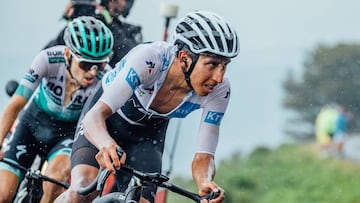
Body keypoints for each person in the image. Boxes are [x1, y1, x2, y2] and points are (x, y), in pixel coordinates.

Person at [55, 10, 239, 203]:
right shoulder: (151, 59)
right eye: (212, 64)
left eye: (225, 66)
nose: (218, 77)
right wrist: (105, 143)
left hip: (146, 137)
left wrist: (204, 181)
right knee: (82, 191)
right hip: (106, 122)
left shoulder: (220, 90)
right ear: (184, 58)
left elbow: (205, 155)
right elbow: (94, 117)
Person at [0, 16, 114, 203]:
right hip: (31, 125)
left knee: (54, 183)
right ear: (68, 55)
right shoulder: (48, 59)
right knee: (3, 194)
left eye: (99, 64)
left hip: (67, 133)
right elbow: (15, 105)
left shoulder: (106, 77)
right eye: (85, 64)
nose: (93, 72)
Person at [44, 0, 142, 68]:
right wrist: (74, 26)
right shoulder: (78, 27)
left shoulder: (131, 30)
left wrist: (108, 24)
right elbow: (45, 58)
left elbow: (134, 60)